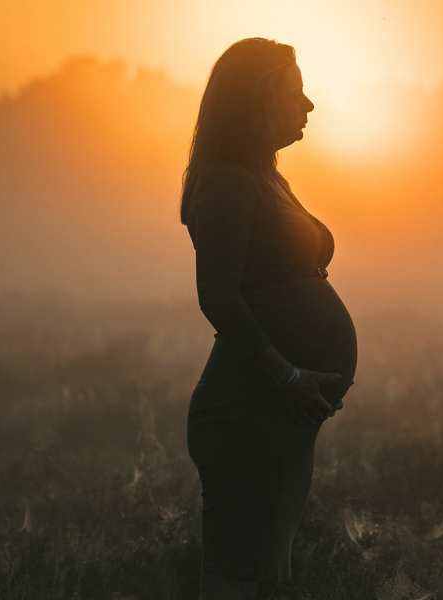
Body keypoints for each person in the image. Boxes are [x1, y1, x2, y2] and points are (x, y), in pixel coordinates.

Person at [180, 38, 358, 600]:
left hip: (278, 420)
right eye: (295, 93)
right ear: (258, 101)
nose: (308, 106)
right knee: (234, 577)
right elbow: (217, 291)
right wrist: (285, 374)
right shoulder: (229, 179)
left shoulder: (264, 179)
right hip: (248, 413)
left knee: (261, 579)